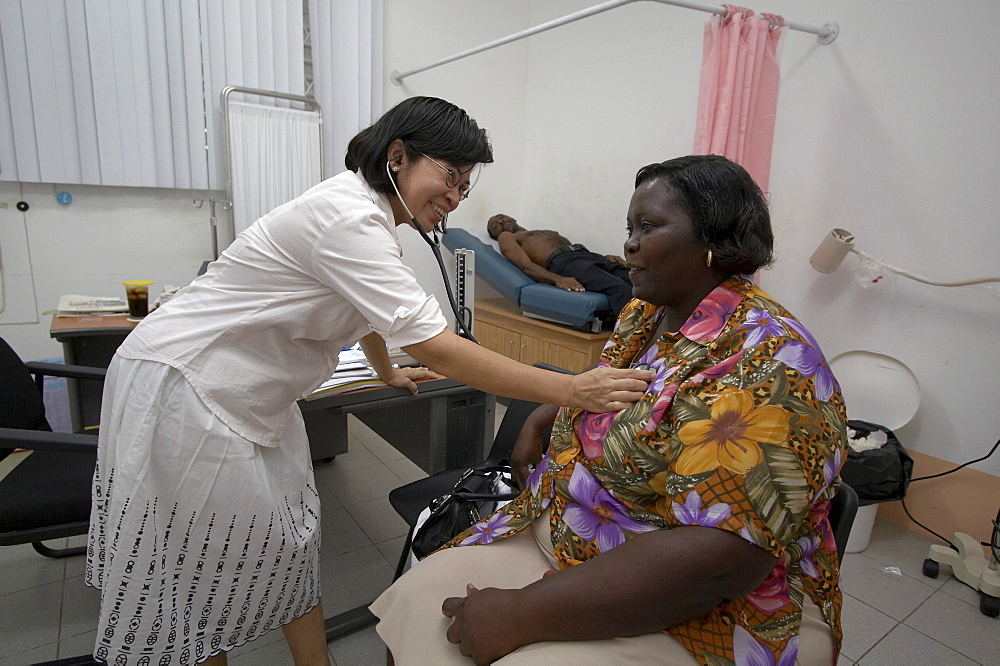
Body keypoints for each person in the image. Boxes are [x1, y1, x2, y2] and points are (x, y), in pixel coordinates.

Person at [85, 96, 653, 666]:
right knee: (197, 568)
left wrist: (387, 371)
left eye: (465, 186)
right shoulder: (348, 217)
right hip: (186, 383)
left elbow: (375, 313)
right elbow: (437, 344)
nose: (455, 198)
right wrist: (574, 390)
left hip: (246, 395)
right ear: (398, 156)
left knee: (291, 541)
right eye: (450, 177)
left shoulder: (370, 219)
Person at [372, 154, 849, 665]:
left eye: (648, 226)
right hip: (574, 530)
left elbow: (720, 563)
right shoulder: (648, 313)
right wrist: (549, 414)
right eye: (630, 227)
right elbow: (614, 390)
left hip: (704, 603)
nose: (629, 243)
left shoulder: (770, 363)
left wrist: (520, 614)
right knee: (421, 598)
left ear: (715, 237)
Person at [487, 213, 634, 315]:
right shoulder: (507, 237)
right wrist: (558, 279)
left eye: (500, 217)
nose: (500, 222)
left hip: (584, 255)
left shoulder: (538, 232)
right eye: (495, 226)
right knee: (619, 289)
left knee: (635, 280)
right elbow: (525, 265)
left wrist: (604, 258)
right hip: (565, 262)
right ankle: (635, 346)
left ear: (512, 218)